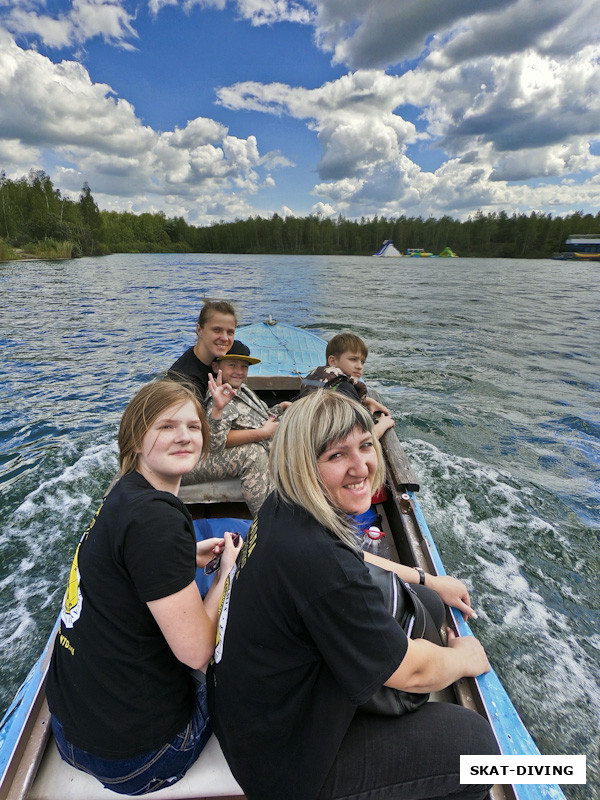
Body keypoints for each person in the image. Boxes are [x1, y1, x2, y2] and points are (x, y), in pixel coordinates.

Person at [207, 391, 499, 800]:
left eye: (366, 445)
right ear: (304, 466)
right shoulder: (318, 563)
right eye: (336, 456)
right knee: (475, 746)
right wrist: (465, 658)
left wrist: (427, 581)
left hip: (259, 710)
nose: (360, 466)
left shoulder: (282, 507)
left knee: (426, 603)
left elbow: (352, 557)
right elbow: (410, 671)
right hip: (284, 764)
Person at [46, 377, 242, 796]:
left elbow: (120, 562)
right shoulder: (157, 519)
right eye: (166, 426)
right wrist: (226, 572)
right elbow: (197, 651)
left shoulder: (122, 494)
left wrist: (184, 556)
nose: (184, 436)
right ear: (136, 438)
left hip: (69, 730)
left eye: (193, 426)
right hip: (139, 757)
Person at [185, 339, 289, 516]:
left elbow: (255, 418)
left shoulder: (243, 390)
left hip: (256, 445)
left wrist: (280, 408)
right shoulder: (219, 397)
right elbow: (215, 442)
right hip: (209, 459)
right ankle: (265, 518)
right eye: (232, 365)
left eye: (244, 367)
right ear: (217, 368)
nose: (239, 371)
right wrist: (262, 434)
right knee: (254, 453)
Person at [298, 332, 395, 439]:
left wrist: (367, 400)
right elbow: (359, 438)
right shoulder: (344, 386)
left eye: (362, 361)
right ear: (333, 361)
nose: (359, 366)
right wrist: (384, 424)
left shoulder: (315, 377)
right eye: (353, 359)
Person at [167, 299, 237, 401]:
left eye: (230, 332)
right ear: (199, 330)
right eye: (217, 330)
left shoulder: (216, 353)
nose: (225, 338)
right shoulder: (186, 383)